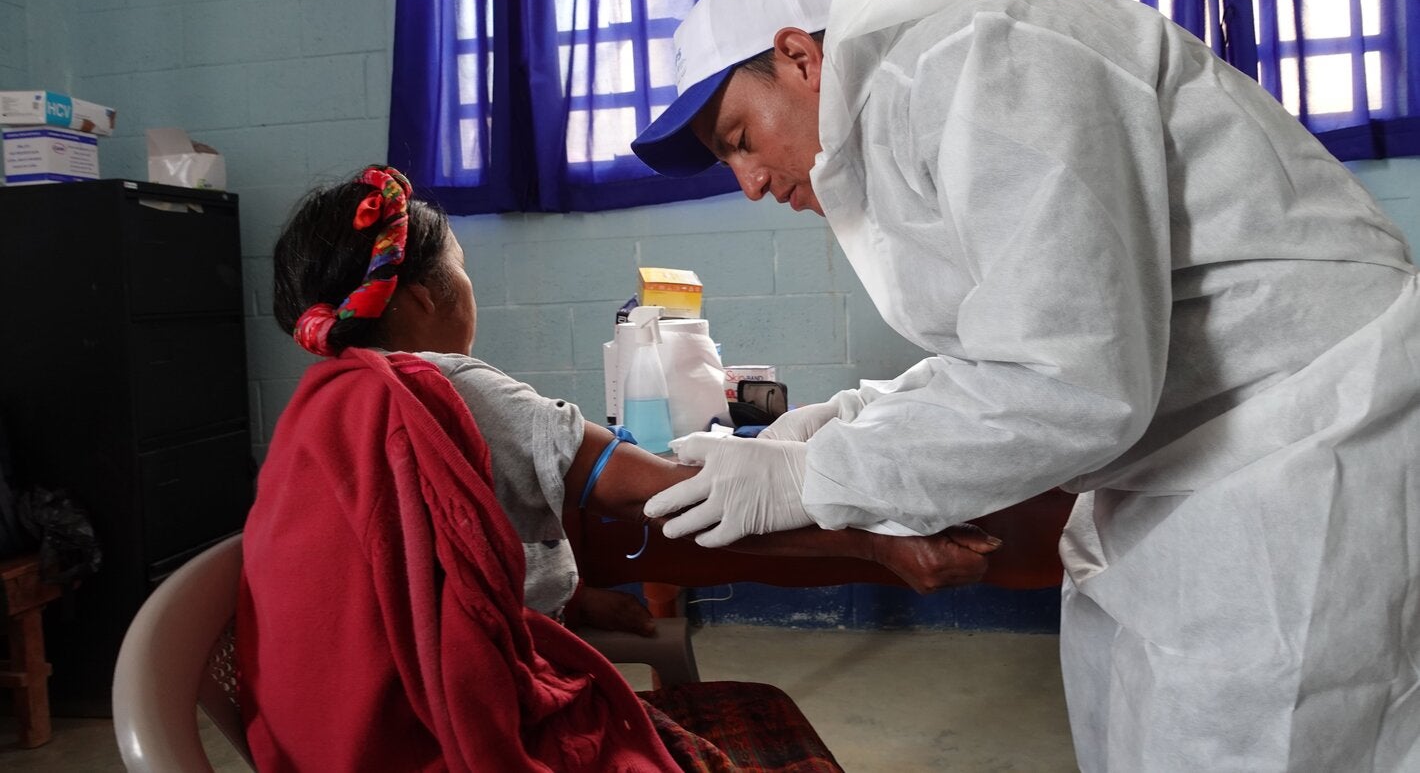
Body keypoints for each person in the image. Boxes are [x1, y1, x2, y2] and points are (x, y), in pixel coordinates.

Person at [629, 0, 1420, 772]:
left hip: (1311, 442)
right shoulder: (910, 118)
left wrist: (812, 477)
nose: (751, 184)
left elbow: (1070, 380)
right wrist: (847, 418)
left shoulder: (981, 65)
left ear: (799, 57)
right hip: (1191, 466)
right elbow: (1014, 342)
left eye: (738, 137)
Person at [237, 165, 1002, 772]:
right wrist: (878, 544)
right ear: (428, 292)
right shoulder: (450, 388)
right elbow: (680, 498)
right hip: (482, 735)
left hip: (354, 739)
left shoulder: (314, 415)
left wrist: (571, 598)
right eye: (463, 270)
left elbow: (414, 589)